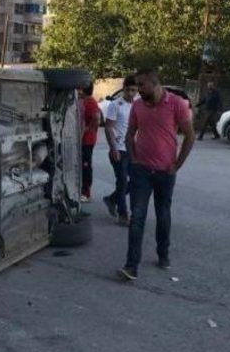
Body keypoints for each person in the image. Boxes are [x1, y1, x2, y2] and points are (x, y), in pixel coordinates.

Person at [119, 68, 195, 281]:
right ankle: (131, 266)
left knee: (163, 215)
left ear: (154, 83)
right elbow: (129, 134)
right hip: (141, 171)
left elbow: (190, 136)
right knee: (137, 217)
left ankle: (163, 254)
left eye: (142, 86)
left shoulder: (176, 104)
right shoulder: (137, 105)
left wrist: (177, 165)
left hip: (165, 172)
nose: (138, 90)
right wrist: (133, 158)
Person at [102, 74, 138, 225]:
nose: (130, 93)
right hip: (119, 150)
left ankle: (112, 199)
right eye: (128, 90)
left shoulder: (138, 105)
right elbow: (108, 127)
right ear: (123, 89)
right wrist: (113, 148)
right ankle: (123, 215)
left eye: (134, 90)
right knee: (122, 181)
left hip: (132, 149)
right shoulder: (115, 105)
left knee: (135, 181)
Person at [78, 83, 100, 201]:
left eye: (79, 89)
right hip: (83, 139)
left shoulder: (90, 101)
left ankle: (86, 193)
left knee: (86, 165)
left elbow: (96, 117)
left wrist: (87, 128)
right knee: (82, 165)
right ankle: (82, 190)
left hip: (87, 140)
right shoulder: (82, 100)